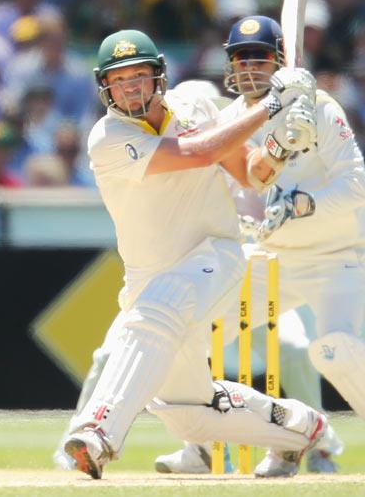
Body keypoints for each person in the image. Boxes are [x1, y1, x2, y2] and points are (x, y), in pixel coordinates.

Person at [157, 15, 365, 476]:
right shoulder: (232, 121)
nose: (248, 69)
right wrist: (251, 219)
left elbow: (357, 187)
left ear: (280, 61)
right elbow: (230, 190)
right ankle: (207, 444)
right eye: (239, 59)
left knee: (335, 347)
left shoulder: (321, 107)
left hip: (337, 255)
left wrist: (303, 204)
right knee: (193, 334)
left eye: (259, 58)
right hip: (273, 256)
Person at [62, 28, 329, 480]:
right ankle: (301, 428)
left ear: (158, 77)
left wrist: (281, 145)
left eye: (140, 76)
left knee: (158, 310)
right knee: (185, 412)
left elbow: (250, 173)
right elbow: (198, 152)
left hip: (215, 255)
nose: (130, 87)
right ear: (104, 86)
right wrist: (272, 104)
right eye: (119, 79)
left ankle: (98, 431)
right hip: (150, 276)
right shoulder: (106, 139)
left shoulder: (196, 109)